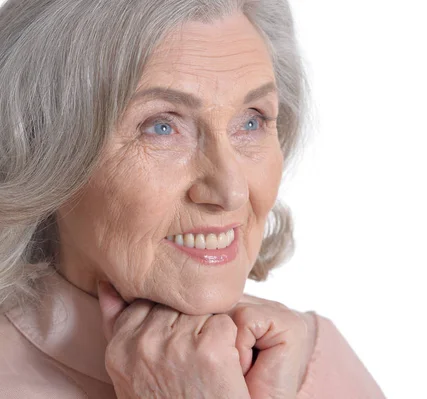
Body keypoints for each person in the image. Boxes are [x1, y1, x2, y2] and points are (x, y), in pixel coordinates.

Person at [0, 0, 385, 398]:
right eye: (161, 127)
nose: (230, 191)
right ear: (39, 145)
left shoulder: (309, 361)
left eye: (251, 121)